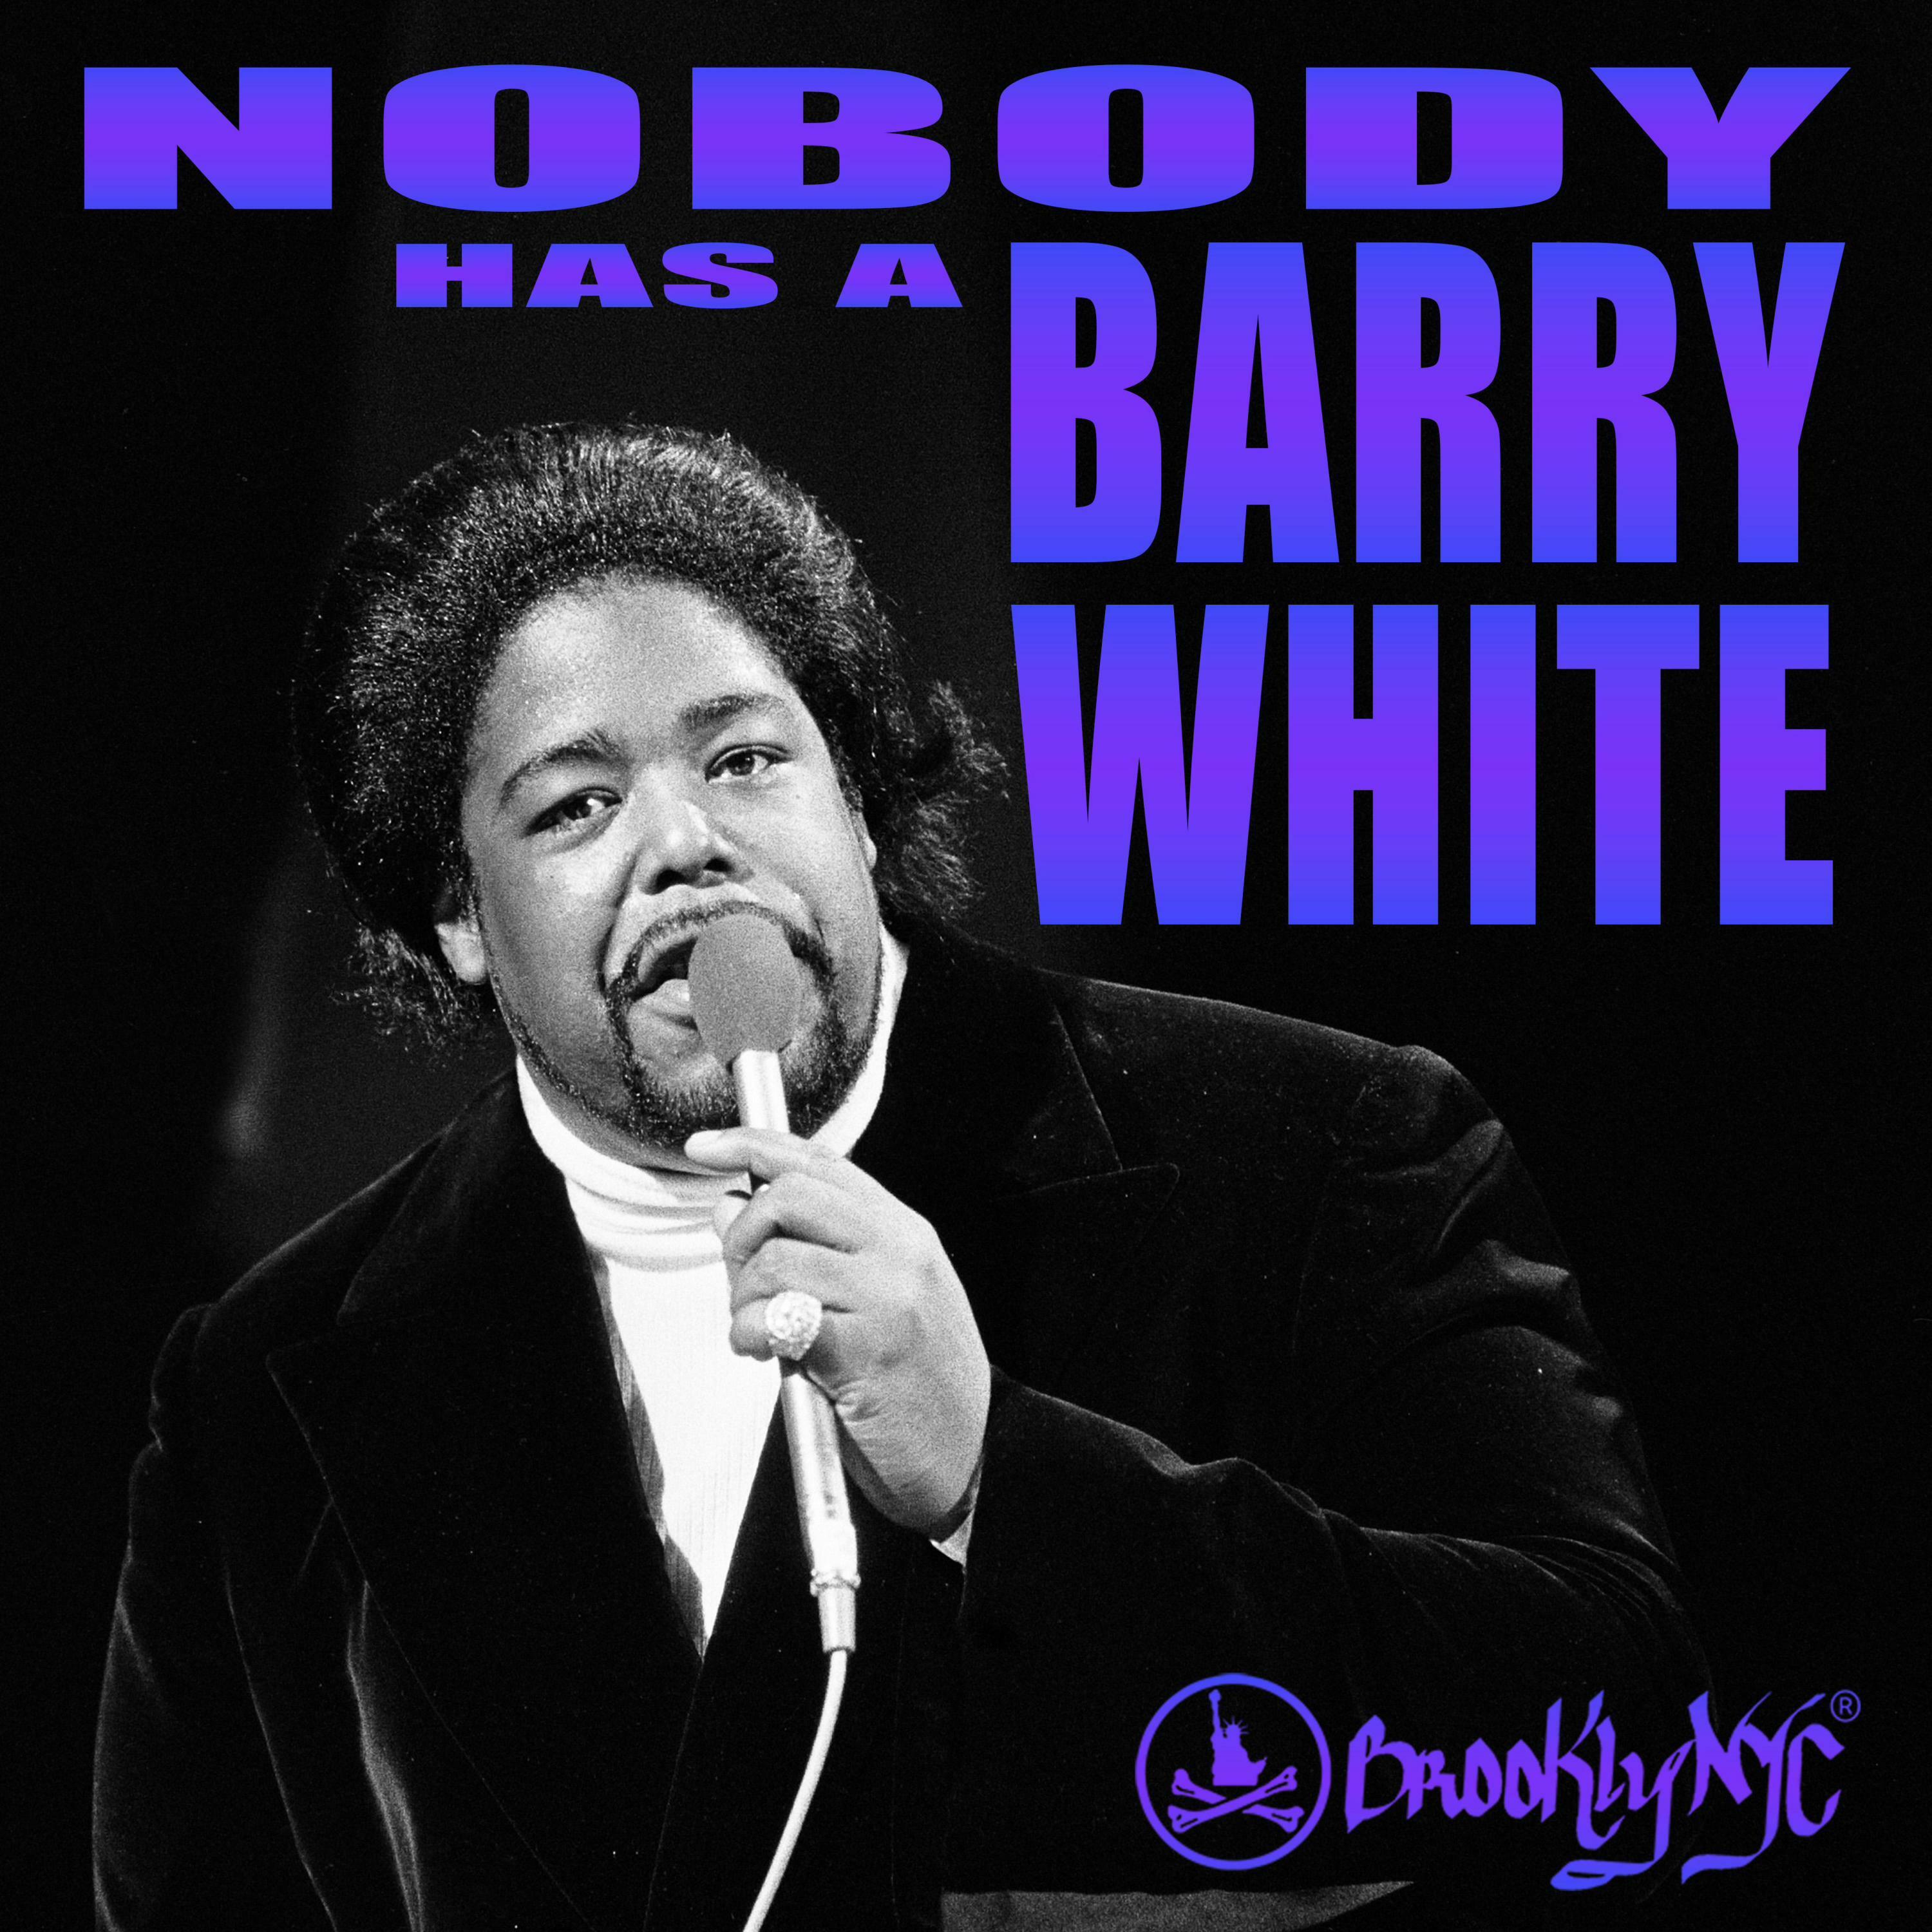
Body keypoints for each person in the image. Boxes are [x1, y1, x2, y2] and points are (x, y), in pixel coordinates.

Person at [95, 422, 1705, 1932]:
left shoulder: (1318, 1140)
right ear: (451, 915)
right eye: (577, 805)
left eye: (745, 758)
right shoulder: (258, 1384)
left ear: (858, 802)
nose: (686, 845)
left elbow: (1615, 1727)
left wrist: (1004, 1477)